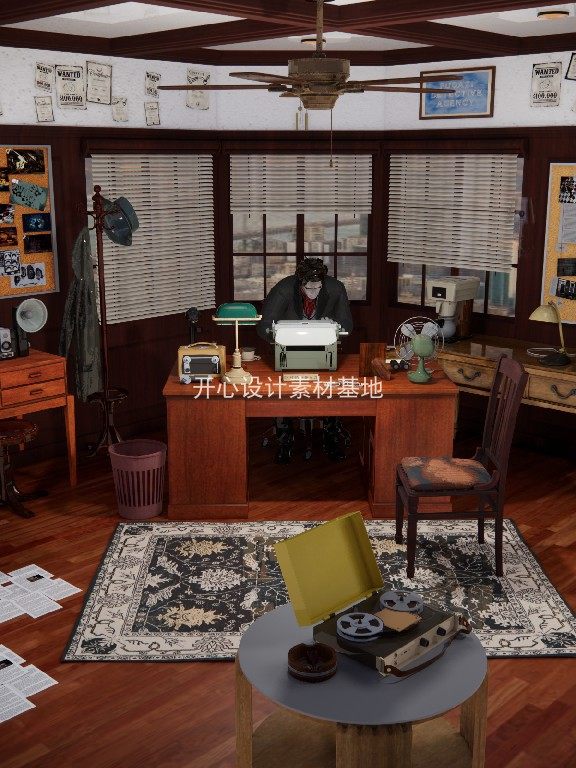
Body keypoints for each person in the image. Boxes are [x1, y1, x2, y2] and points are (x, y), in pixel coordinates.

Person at [257, 258, 353, 463]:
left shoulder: (336, 288)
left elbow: (347, 322)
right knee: (282, 394)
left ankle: (331, 439)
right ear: (300, 282)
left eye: (318, 287)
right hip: (289, 351)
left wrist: (335, 326)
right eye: (309, 288)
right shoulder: (283, 290)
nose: (314, 292)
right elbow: (264, 325)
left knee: (331, 393)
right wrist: (283, 333)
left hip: (324, 351)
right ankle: (285, 441)